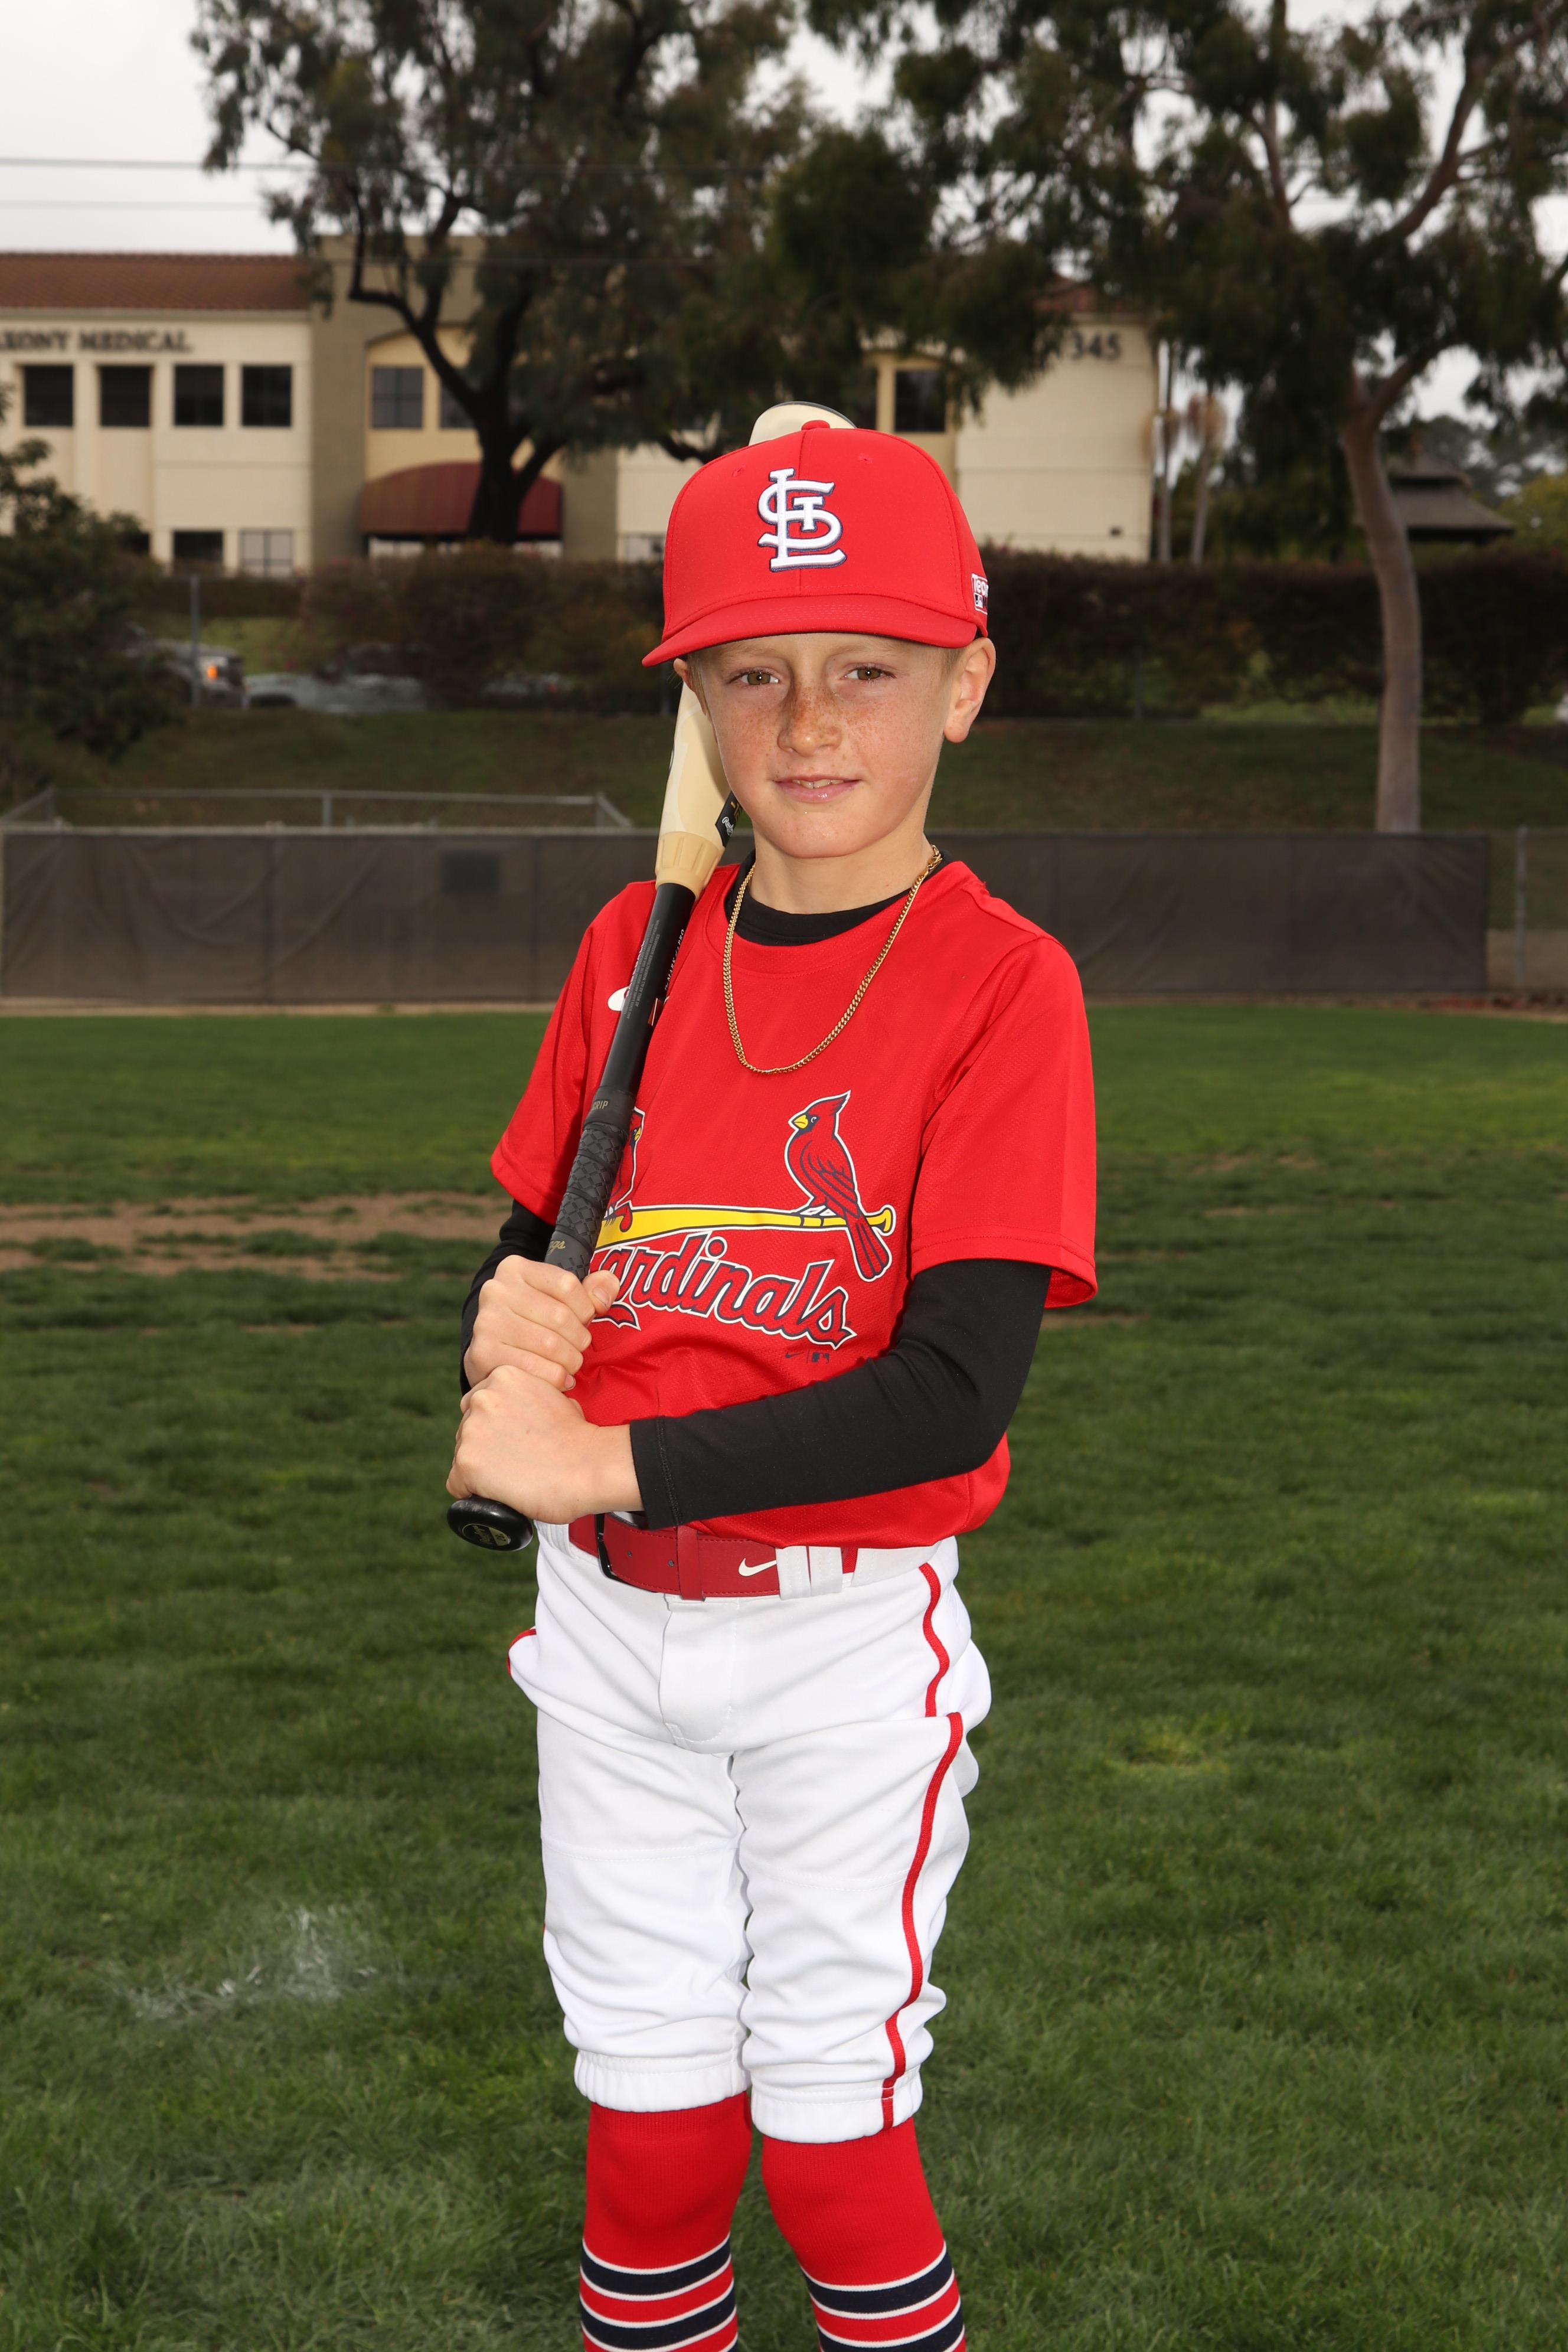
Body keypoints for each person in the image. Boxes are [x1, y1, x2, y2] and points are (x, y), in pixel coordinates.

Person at [449, 420, 1097, 2351]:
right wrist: (497, 1338)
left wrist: (597, 1459)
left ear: (965, 687)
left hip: (840, 1643)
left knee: (830, 2145)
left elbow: (953, 1394)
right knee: (648, 2143)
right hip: (606, 1635)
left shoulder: (1006, 983)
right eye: (753, 675)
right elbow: (532, 1256)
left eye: (868, 670)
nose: (809, 722)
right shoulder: (631, 955)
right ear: (701, 710)